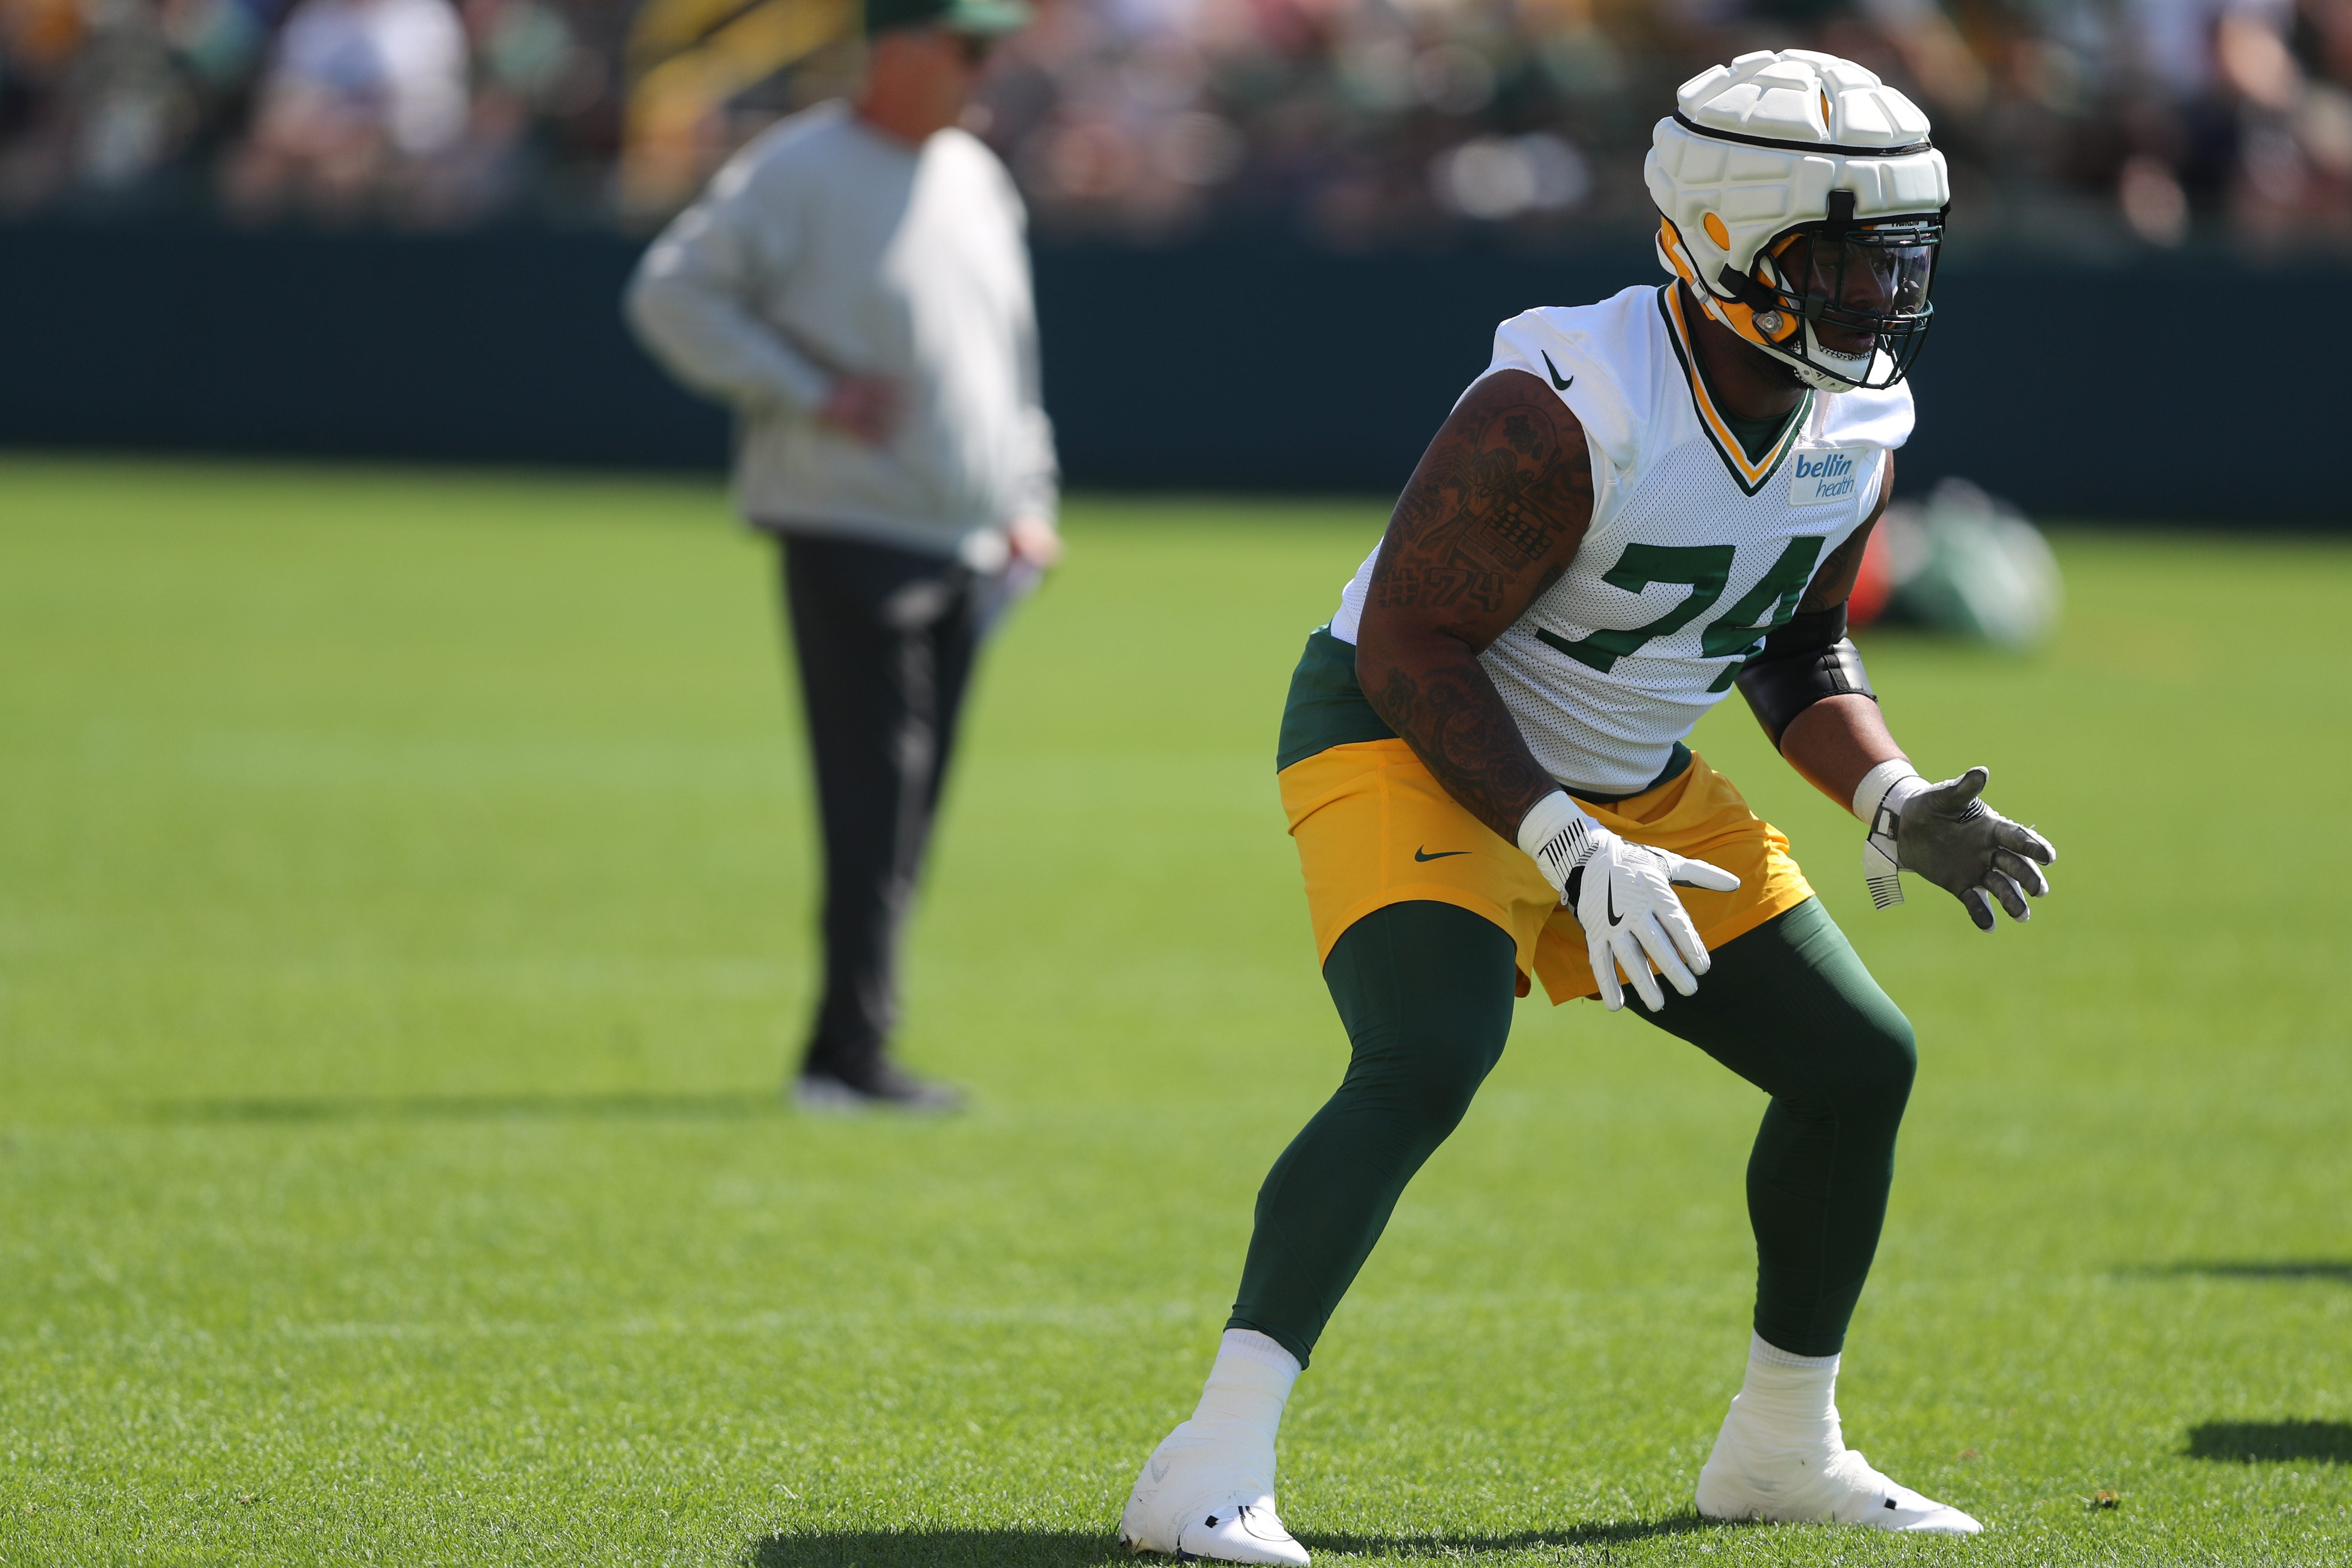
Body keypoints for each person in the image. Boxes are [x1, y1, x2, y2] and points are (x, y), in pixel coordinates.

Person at [1118, 48, 2058, 1564]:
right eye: (1840, 262)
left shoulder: (1855, 421)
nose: (1880, 301)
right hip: (1407, 740)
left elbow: (1796, 641)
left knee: (1855, 1064)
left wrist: (1886, 794)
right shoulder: (1571, 404)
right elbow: (1407, 646)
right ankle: (1206, 1465)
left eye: (1898, 262)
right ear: (1720, 243)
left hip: (1635, 780)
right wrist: (1563, 844)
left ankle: (1780, 1449)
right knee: (1428, 1052)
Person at [625, 0, 1058, 1112]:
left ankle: (854, 1043)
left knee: (910, 805)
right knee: (876, 796)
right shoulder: (800, 167)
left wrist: (1026, 496)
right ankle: (844, 1057)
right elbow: (672, 295)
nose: (983, 65)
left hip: (965, 538)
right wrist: (812, 392)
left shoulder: (975, 174)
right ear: (901, 45)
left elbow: (1006, 363)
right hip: (849, 521)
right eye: (966, 44)